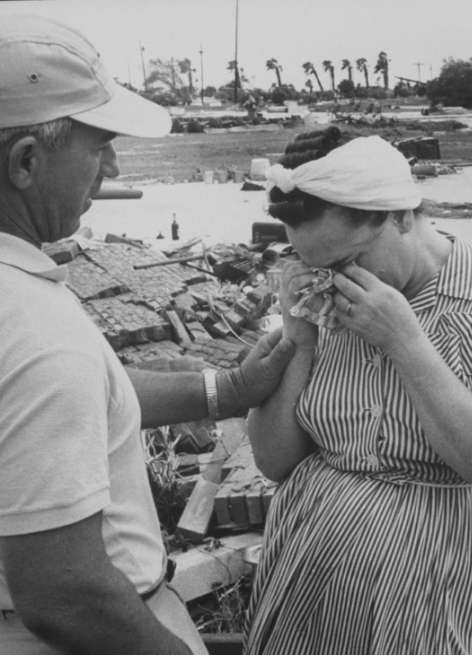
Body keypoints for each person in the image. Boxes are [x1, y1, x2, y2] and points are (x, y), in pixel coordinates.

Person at [0, 15, 294, 655]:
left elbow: (80, 398)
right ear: (25, 161)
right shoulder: (33, 326)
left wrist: (231, 388)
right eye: (99, 143)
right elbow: (65, 594)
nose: (111, 165)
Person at [244, 128, 472, 654]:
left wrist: (404, 342)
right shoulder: (323, 306)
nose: (333, 280)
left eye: (349, 261)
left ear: (401, 216)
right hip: (306, 562)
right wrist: (297, 336)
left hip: (430, 576)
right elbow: (275, 461)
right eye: (314, 266)